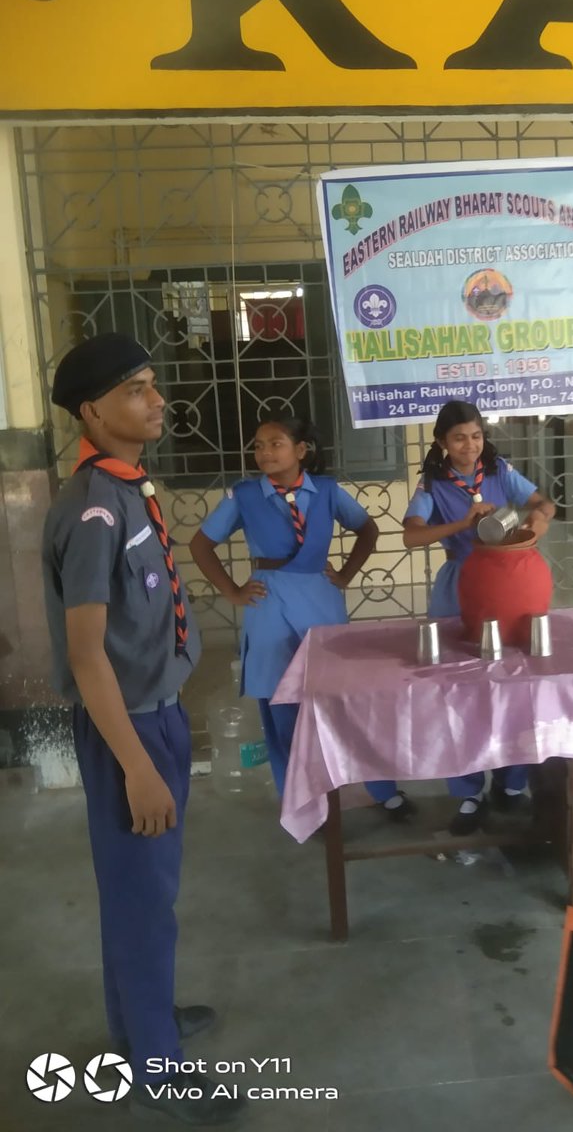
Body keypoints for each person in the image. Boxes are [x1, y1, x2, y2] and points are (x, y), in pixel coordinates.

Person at [41, 333, 244, 1124]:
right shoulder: (93, 510)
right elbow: (86, 654)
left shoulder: (129, 491)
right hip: (125, 731)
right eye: (137, 390)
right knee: (141, 900)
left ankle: (141, 1029)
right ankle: (156, 1069)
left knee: (140, 893)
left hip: (153, 717)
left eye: (156, 386)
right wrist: (137, 765)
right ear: (93, 411)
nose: (157, 400)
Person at [189, 415, 379, 799]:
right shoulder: (244, 496)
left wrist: (344, 575)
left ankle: (352, 788)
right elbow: (200, 546)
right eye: (258, 445)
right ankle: (300, 799)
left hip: (320, 599)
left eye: (275, 443)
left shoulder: (326, 491)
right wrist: (233, 591)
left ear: (301, 450)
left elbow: (367, 529)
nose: (264, 452)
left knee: (332, 700)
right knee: (281, 705)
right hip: (270, 601)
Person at [401, 400, 556, 834]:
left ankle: (511, 782)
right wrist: (462, 524)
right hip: (461, 585)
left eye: (476, 436)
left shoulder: (501, 471)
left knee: (514, 683)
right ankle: (467, 791)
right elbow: (412, 535)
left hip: (507, 585)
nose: (470, 446)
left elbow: (545, 503)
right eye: (458, 438)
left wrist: (539, 521)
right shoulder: (432, 484)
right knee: (459, 691)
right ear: (441, 443)